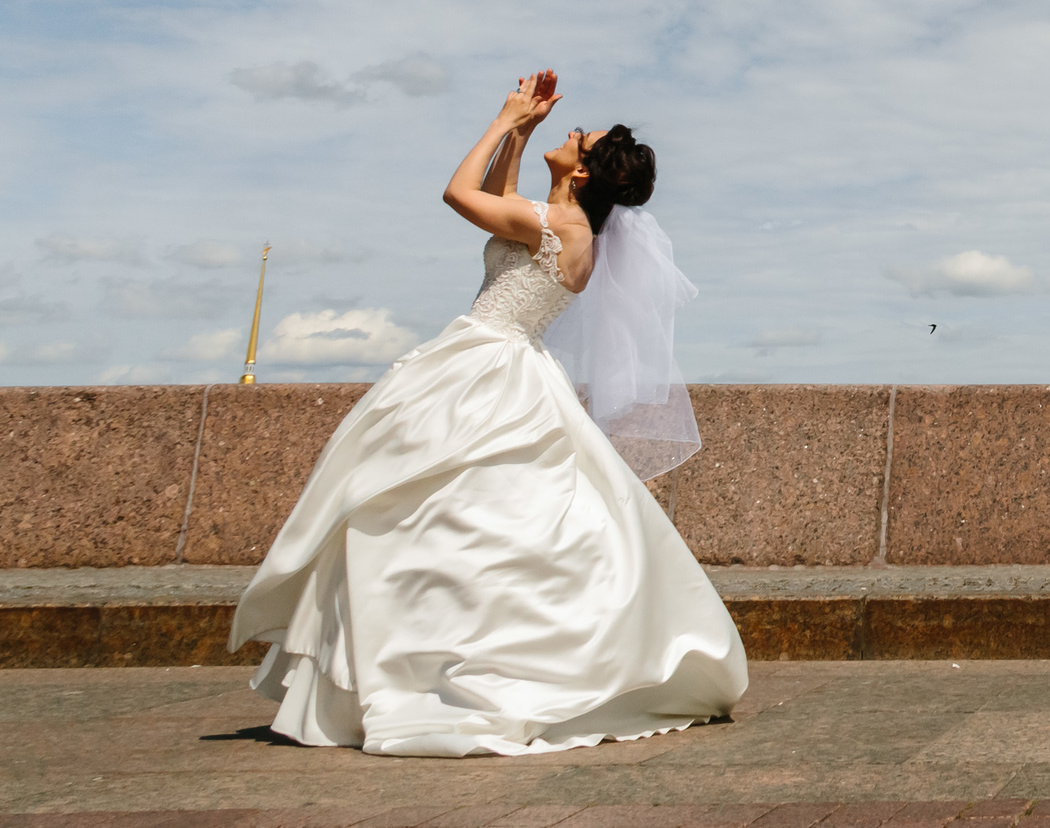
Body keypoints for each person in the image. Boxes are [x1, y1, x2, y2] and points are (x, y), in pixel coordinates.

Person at [229, 72, 748, 757]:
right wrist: (527, 131)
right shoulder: (560, 220)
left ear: (586, 170)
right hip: (497, 363)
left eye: (577, 138)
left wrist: (503, 118)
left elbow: (461, 194)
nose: (571, 132)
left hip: (485, 366)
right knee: (447, 514)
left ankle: (426, 668)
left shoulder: (560, 224)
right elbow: (503, 199)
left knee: (420, 509)